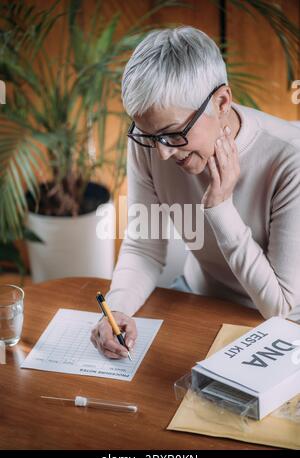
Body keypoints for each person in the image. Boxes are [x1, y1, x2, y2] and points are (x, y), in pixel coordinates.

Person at [91, 26, 300, 360]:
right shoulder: (151, 144)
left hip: (280, 323)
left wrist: (220, 207)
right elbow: (145, 245)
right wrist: (116, 309)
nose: (161, 154)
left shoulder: (289, 159)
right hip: (198, 298)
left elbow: (279, 305)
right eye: (148, 135)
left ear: (221, 102)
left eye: (173, 134)